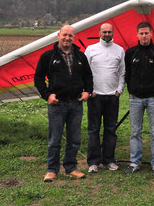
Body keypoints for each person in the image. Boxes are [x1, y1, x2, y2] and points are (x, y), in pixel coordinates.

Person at [35, 24, 93, 182]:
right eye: (65, 35)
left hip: (76, 103)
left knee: (74, 137)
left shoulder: (80, 56)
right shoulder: (48, 56)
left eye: (70, 36)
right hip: (57, 104)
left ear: (74, 38)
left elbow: (88, 76)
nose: (67, 38)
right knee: (55, 138)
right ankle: (52, 169)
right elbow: (38, 78)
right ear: (58, 35)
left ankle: (71, 167)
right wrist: (47, 95)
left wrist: (87, 90)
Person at [124, 22, 154, 177]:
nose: (144, 36)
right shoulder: (130, 53)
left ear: (151, 34)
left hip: (153, 98)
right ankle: (134, 162)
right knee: (135, 132)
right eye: (141, 33)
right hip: (135, 98)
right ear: (137, 35)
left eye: (146, 33)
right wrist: (132, 90)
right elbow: (127, 75)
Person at [84, 23, 125, 173]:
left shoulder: (119, 50)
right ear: (100, 33)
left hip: (112, 96)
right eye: (104, 32)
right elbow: (85, 72)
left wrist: (119, 91)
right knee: (93, 129)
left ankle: (108, 160)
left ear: (113, 33)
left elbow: (122, 73)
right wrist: (89, 91)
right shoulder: (91, 49)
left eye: (109, 32)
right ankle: (93, 162)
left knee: (110, 129)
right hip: (95, 96)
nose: (107, 34)